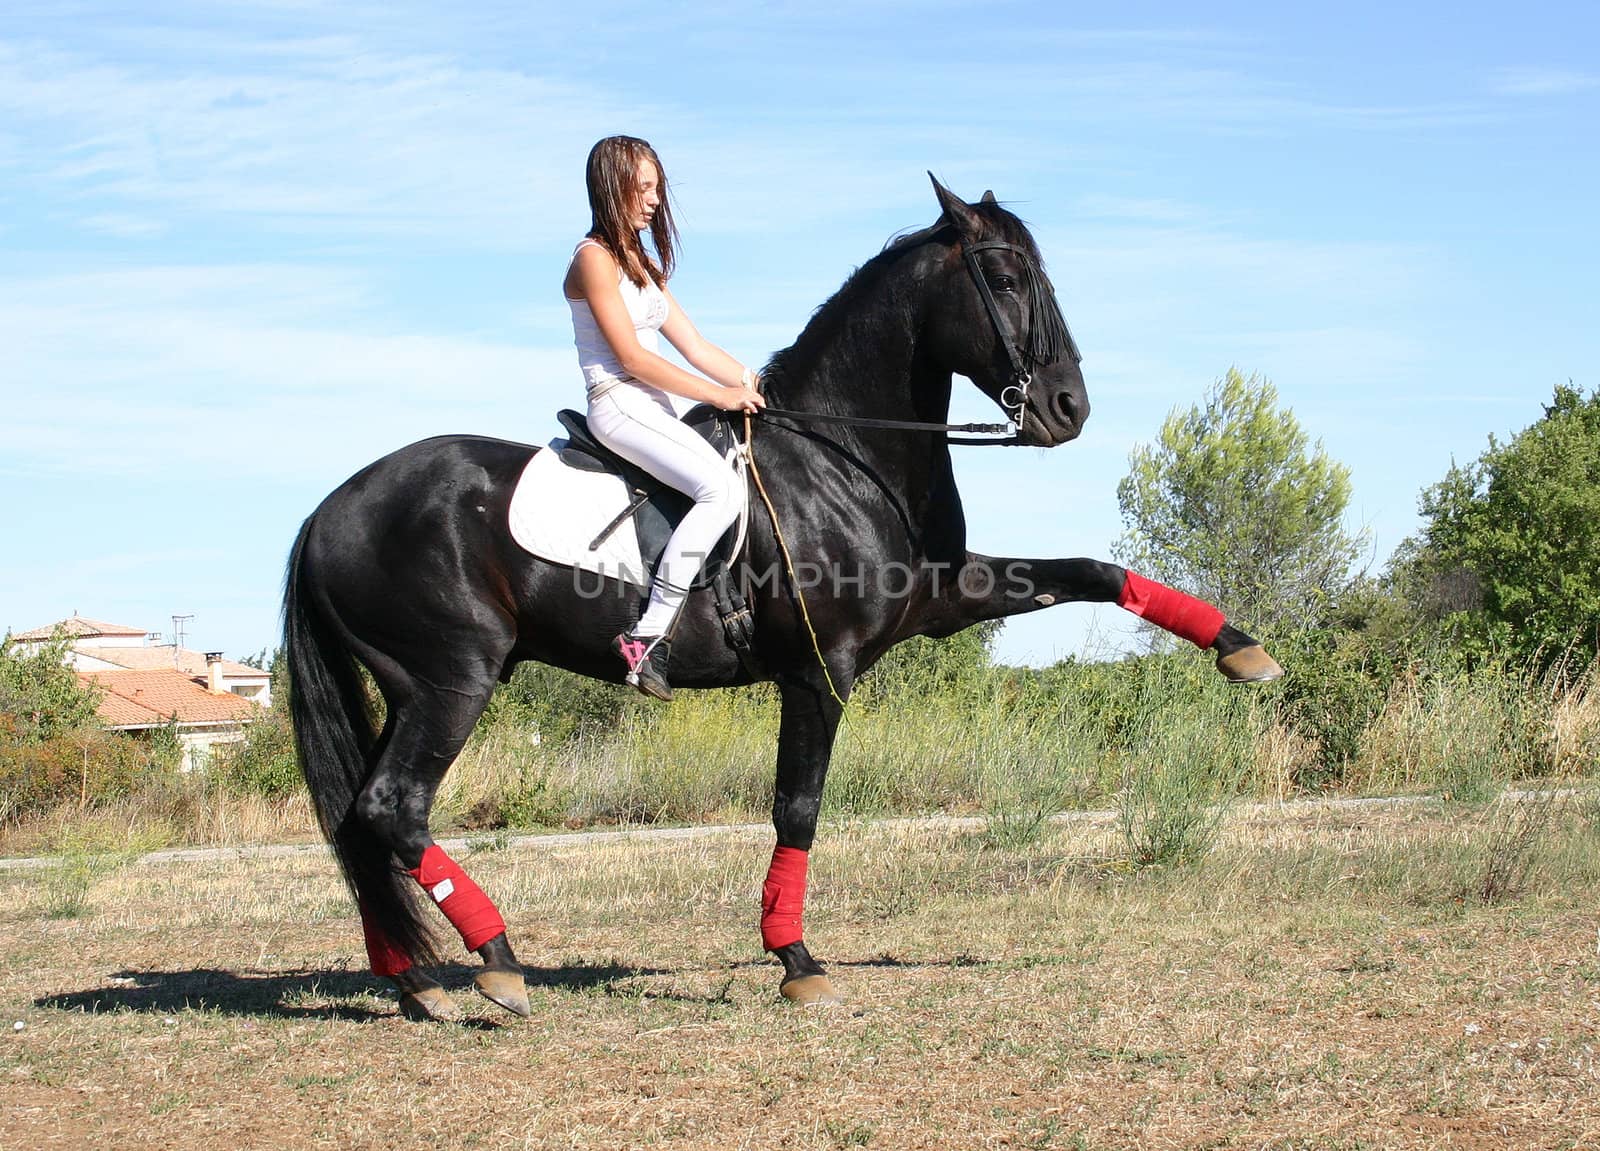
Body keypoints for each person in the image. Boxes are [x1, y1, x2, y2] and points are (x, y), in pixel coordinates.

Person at [564, 135, 765, 701]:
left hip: (657, 404)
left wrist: (754, 383)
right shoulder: (592, 259)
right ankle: (645, 640)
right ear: (613, 186)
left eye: (657, 188)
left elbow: (696, 347)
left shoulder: (642, 265)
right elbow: (633, 357)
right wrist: (717, 396)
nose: (654, 199)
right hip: (619, 400)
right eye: (643, 187)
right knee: (720, 492)